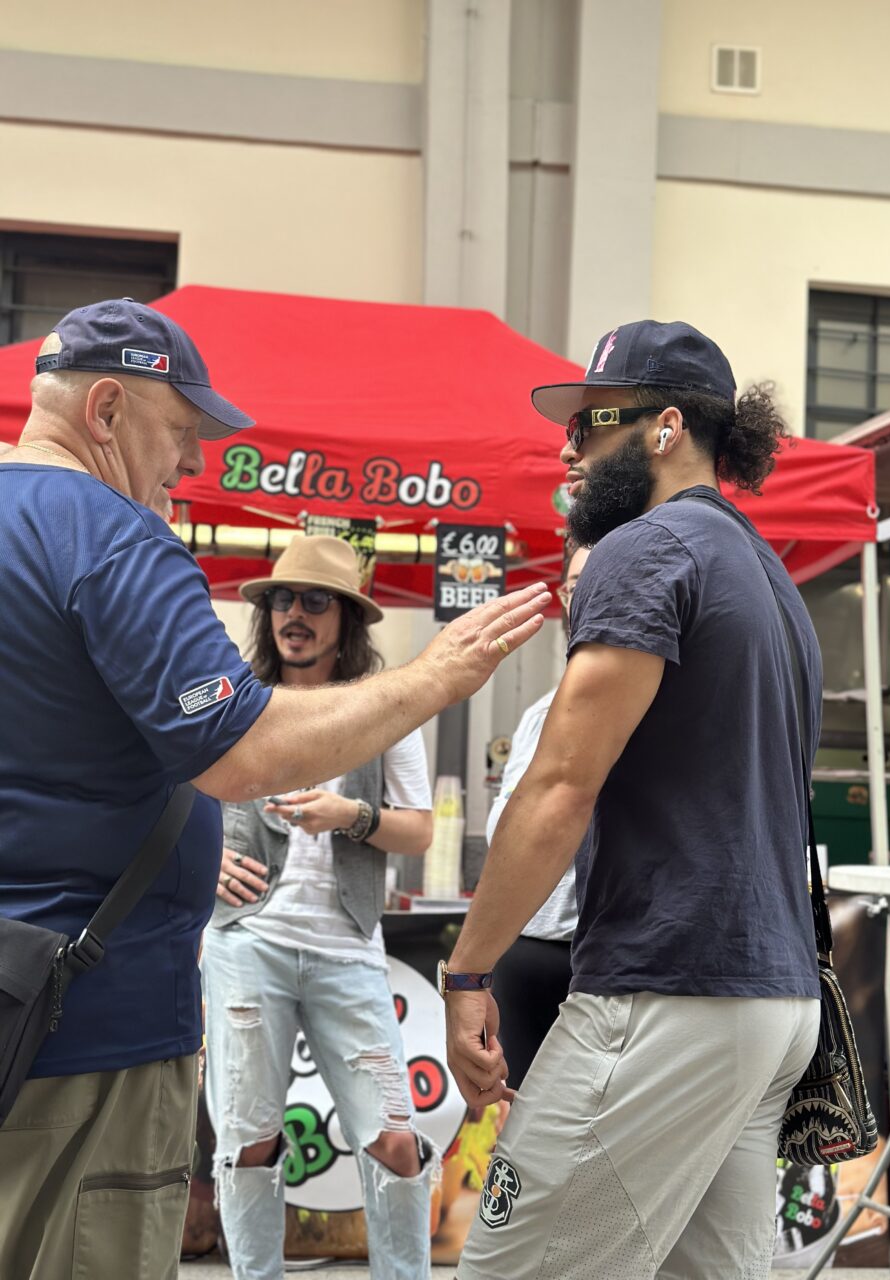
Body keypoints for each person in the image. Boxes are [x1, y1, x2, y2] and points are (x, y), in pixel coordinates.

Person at [0, 297, 549, 1280]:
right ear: (108, 410)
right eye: (181, 429)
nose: (191, 461)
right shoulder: (111, 537)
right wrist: (435, 676)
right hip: (88, 1022)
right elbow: (241, 750)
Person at [442, 319, 823, 1280]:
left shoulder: (643, 550)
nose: (567, 448)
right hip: (771, 997)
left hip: (669, 987)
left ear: (665, 427)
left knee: (506, 1266)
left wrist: (467, 972)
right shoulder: (771, 578)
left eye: (590, 422)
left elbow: (559, 786)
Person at [202, 535, 435, 1280]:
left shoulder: (383, 707)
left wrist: (350, 816)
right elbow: (168, 788)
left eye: (313, 601)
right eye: (281, 599)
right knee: (249, 1141)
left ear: (347, 619)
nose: (292, 615)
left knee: (395, 1140)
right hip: (248, 943)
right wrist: (203, 859)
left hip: (348, 949)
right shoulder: (235, 699)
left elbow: (420, 831)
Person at [484, 541, 589, 1089]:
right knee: (518, 1116)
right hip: (525, 948)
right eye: (575, 587)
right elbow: (506, 837)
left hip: (603, 961)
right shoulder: (538, 714)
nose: (587, 598)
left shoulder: (652, 709)